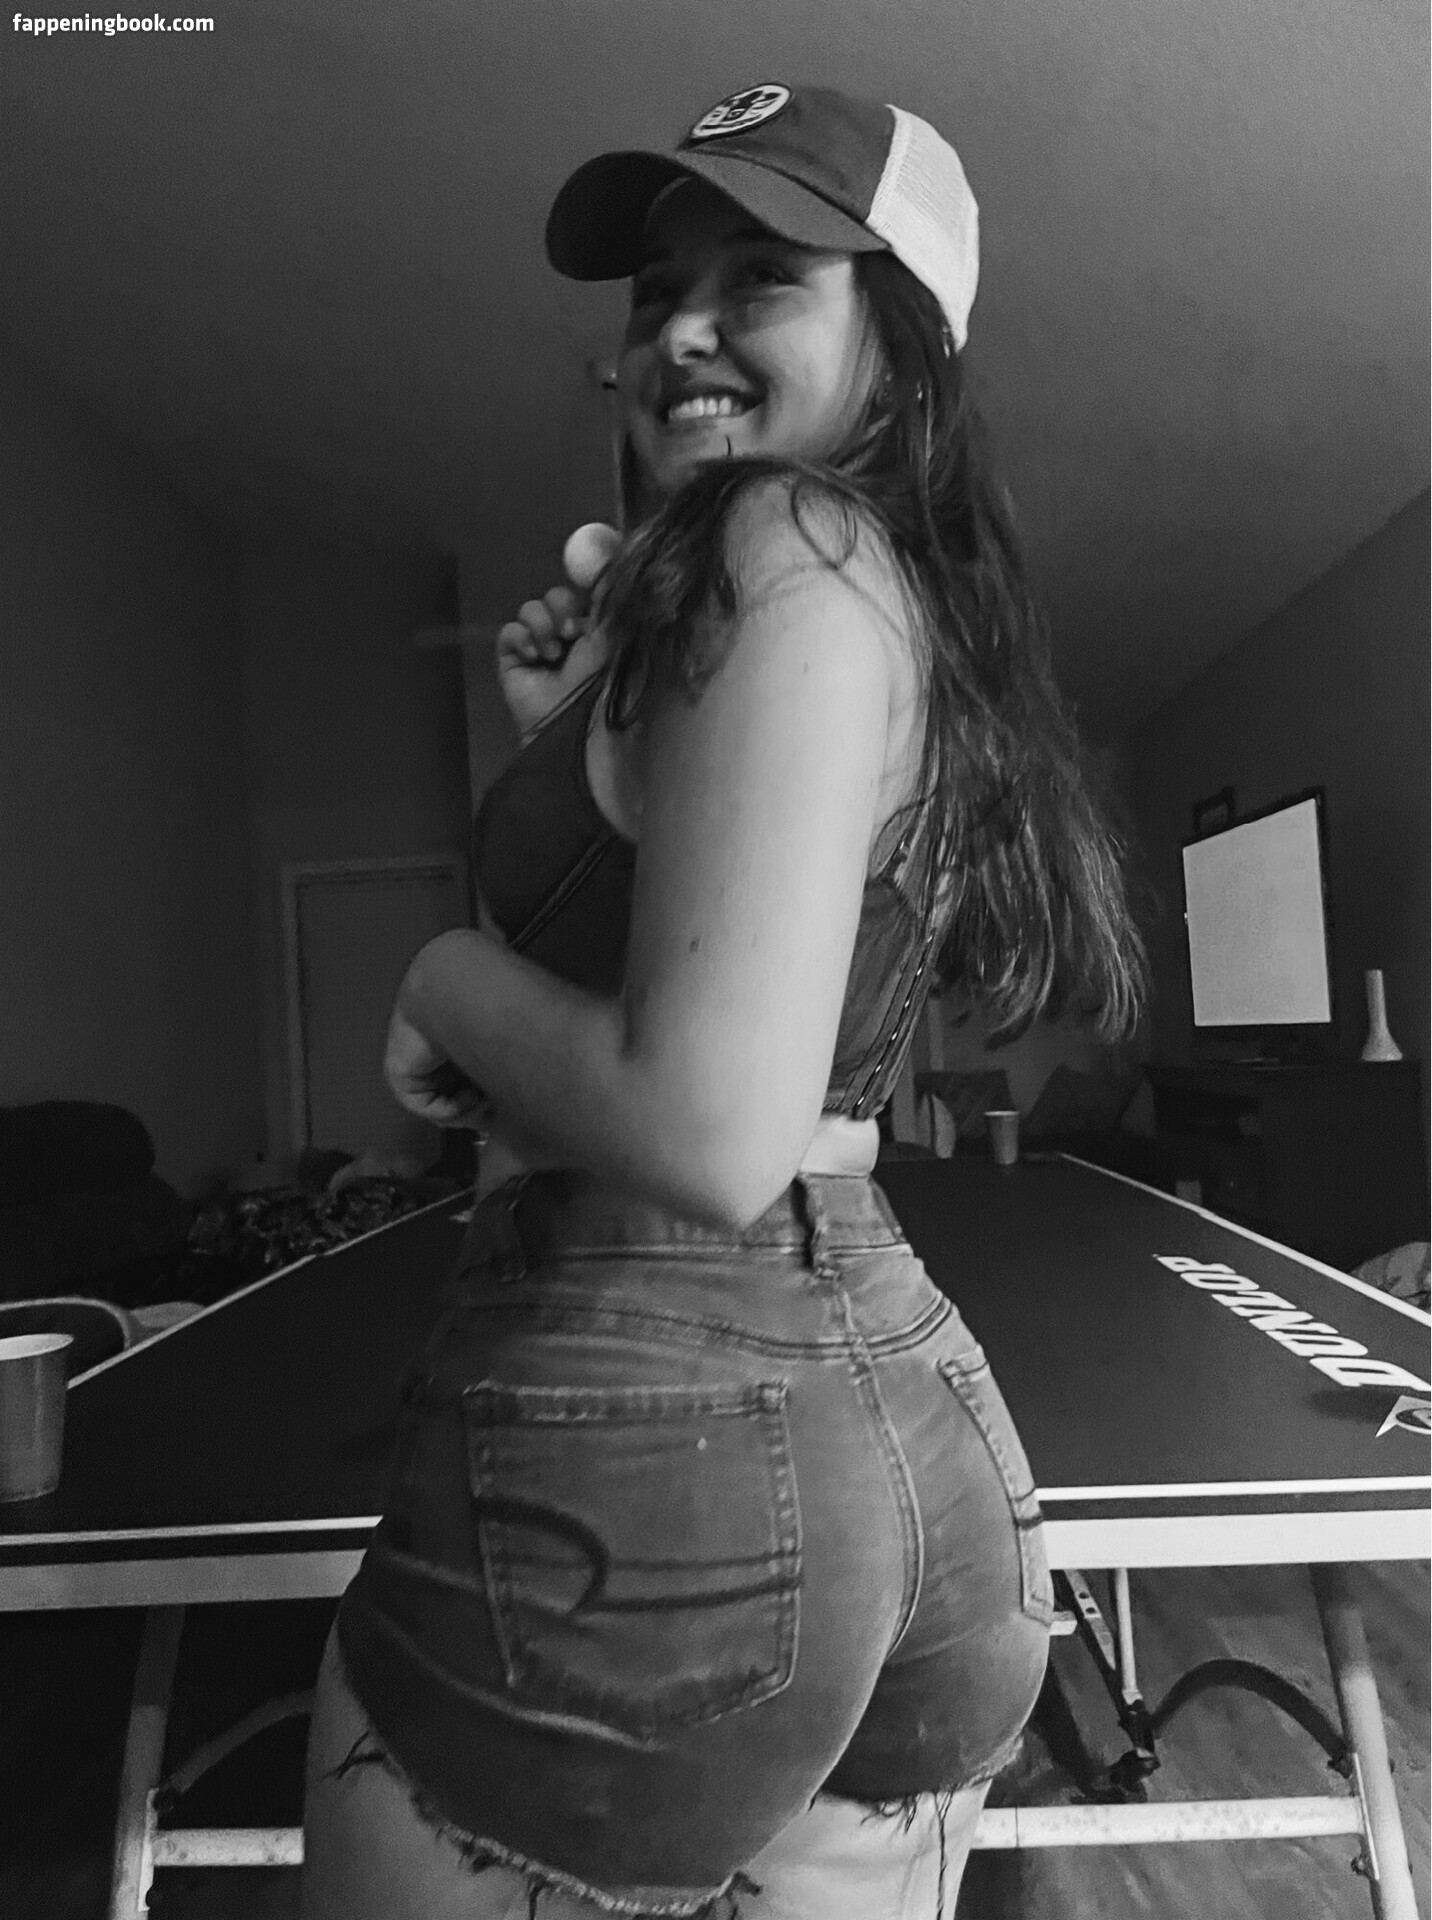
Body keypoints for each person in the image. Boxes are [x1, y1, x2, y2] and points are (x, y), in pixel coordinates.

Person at [300, 82, 1143, 1920]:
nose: (677, 329)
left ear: (901, 352)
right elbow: (745, 1016)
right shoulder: (884, 599)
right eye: (655, 292)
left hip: (649, 1430)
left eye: (761, 277)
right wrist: (571, 756)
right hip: (903, 1443)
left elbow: (706, 1125)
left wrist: (442, 973)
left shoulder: (785, 544)